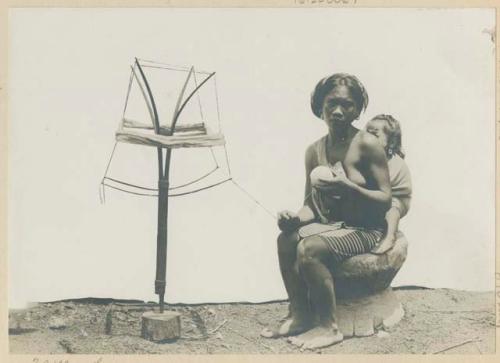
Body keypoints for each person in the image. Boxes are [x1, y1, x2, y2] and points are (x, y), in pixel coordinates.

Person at [261, 73, 392, 350]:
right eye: (331, 104)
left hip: (366, 230)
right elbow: (310, 205)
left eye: (347, 105)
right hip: (334, 227)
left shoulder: (368, 144)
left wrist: (349, 187)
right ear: (320, 106)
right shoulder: (314, 151)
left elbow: (385, 199)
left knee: (310, 249)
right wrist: (294, 218)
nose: (338, 111)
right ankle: (299, 315)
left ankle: (328, 326)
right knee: (286, 240)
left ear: (357, 110)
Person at [365, 114, 412, 255]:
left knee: (392, 209)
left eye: (374, 135)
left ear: (391, 143)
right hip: (373, 198)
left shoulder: (395, 163)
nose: (367, 139)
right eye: (365, 134)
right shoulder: (365, 159)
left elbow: (386, 187)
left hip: (396, 197)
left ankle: (389, 236)